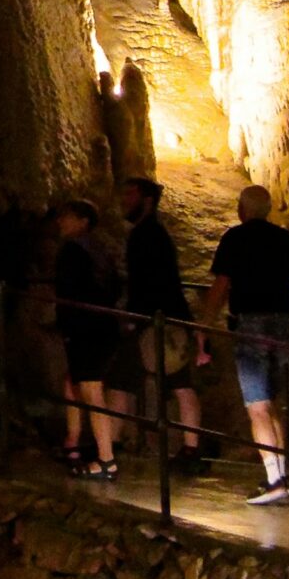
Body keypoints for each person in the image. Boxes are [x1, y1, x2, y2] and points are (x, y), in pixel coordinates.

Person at [201, 184, 289, 506]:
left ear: (242, 209)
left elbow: (221, 285)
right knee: (272, 404)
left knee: (257, 406)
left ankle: (274, 481)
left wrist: (204, 326)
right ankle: (281, 476)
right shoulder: (284, 238)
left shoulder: (235, 239)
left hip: (251, 326)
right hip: (282, 328)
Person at [112, 176, 204, 473]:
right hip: (169, 318)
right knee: (180, 384)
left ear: (146, 199)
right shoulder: (155, 233)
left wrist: (133, 318)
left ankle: (109, 448)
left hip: (153, 321)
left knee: (120, 381)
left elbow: (147, 283)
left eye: (130, 194)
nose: (124, 201)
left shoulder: (145, 235)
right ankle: (191, 448)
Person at [48, 200, 125, 480]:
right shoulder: (99, 249)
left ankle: (106, 460)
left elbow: (68, 293)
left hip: (86, 329)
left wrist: (65, 324)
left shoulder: (73, 250)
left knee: (92, 393)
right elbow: (114, 286)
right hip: (102, 326)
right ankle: (74, 441)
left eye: (66, 217)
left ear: (83, 221)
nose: (61, 222)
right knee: (74, 382)